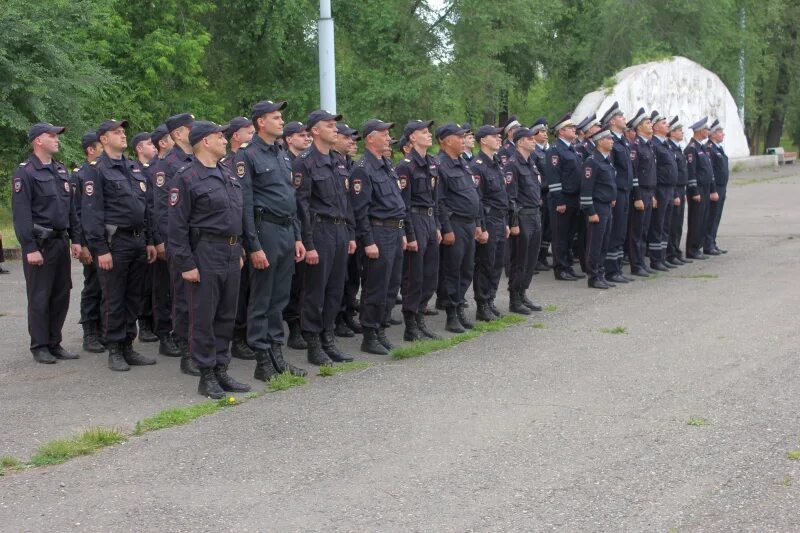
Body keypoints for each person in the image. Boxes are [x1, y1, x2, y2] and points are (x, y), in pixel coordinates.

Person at [168, 121, 251, 398]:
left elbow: (235, 216)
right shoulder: (187, 177)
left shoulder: (227, 173)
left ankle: (221, 369)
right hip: (205, 252)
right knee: (204, 316)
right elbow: (176, 227)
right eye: (219, 136)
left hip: (230, 251)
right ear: (205, 141)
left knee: (227, 315)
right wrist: (187, 264)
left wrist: (238, 249)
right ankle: (206, 374)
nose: (224, 140)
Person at [237, 100, 307, 380]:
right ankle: (262, 360)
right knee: (262, 299)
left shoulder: (281, 154)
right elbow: (244, 203)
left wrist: (298, 237)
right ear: (260, 122)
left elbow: (290, 199)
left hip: (286, 230)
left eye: (281, 117)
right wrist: (253, 245)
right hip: (264, 230)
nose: (281, 121)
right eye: (276, 117)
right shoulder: (248, 155)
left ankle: (278, 355)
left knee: (279, 298)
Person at [82, 119, 157, 371]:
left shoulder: (133, 167)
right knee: (114, 297)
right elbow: (92, 214)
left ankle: (128, 345)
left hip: (137, 240)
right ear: (103, 139)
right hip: (115, 242)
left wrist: (148, 241)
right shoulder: (97, 169)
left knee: (134, 296)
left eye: (124, 131)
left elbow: (144, 208)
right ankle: (114, 348)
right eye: (116, 132)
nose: (123, 135)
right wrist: (101, 249)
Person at [12, 123, 82, 363]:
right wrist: (29, 247)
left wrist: (76, 239)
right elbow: (21, 215)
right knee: (40, 295)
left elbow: (70, 209)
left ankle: (55, 341)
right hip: (40, 244)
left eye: (57, 135)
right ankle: (40, 345)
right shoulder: (26, 172)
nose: (56, 139)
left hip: (60, 241)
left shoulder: (60, 170)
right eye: (51, 136)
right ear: (37, 141)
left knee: (61, 293)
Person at [293, 109, 357, 365]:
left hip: (340, 231)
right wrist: (308, 244)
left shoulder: (337, 161)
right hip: (319, 232)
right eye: (329, 125)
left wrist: (350, 233)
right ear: (315, 131)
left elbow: (346, 200)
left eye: (335, 125)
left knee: (335, 289)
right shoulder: (305, 162)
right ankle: (314, 343)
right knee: (315, 291)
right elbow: (301, 207)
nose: (335, 129)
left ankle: (329, 337)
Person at [350, 119, 407, 354]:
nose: (388, 137)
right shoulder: (362, 168)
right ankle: (370, 334)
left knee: (391, 285)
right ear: (370, 138)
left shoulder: (387, 165)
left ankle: (381, 328)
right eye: (383, 134)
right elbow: (360, 210)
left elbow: (396, 202)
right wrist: (369, 241)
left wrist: (402, 231)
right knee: (376, 285)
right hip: (378, 231)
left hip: (394, 230)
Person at [436, 123, 485, 333]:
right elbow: (439, 201)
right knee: (452, 271)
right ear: (447, 140)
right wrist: (446, 228)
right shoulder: (440, 165)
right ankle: (451, 314)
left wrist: (477, 223)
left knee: (466, 269)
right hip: (454, 223)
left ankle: (459, 307)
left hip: (468, 223)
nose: (464, 140)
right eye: (459, 137)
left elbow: (474, 195)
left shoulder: (463, 163)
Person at [396, 120, 442, 340]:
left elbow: (436, 199)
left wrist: (438, 226)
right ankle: (410, 323)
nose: (429, 135)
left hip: (430, 220)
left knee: (430, 275)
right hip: (414, 219)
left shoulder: (432, 162)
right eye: (424, 132)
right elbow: (403, 204)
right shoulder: (405, 166)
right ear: (412, 138)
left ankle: (421, 315)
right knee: (414, 275)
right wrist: (409, 234)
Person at [163, 113, 198, 375]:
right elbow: (165, 212)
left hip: (204, 242)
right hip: (182, 242)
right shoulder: (170, 164)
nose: (194, 131)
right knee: (184, 300)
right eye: (189, 128)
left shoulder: (197, 160)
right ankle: (188, 353)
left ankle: (201, 348)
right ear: (177, 134)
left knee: (203, 300)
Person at [143, 124, 181, 357]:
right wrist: (157, 240)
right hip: (163, 239)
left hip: (178, 238)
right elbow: (154, 209)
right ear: (164, 143)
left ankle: (176, 332)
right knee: (163, 289)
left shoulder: (181, 164)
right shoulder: (157, 169)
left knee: (177, 291)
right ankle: (165, 334)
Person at [220, 116, 256, 361]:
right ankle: (237, 338)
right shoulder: (228, 163)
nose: (253, 134)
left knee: (250, 289)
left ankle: (246, 334)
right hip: (233, 237)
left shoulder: (250, 158)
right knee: (237, 292)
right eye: (248, 131)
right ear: (236, 136)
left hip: (252, 231)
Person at [71, 131, 106, 352]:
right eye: (100, 146)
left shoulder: (106, 172)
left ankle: (104, 328)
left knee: (108, 288)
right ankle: (90, 332)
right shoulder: (81, 175)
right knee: (93, 287)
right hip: (90, 241)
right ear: (90, 150)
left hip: (108, 238)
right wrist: (82, 244)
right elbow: (76, 212)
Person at [281, 120, 313, 350]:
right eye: (301, 135)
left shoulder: (305, 162)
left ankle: (301, 325)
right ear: (288, 139)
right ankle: (293, 327)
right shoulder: (286, 162)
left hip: (305, 227)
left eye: (307, 135)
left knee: (304, 283)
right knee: (292, 283)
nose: (307, 138)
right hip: (290, 228)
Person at [505, 127, 544, 312]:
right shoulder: (513, 165)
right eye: (529, 138)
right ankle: (514, 298)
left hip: (535, 214)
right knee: (519, 259)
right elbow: (511, 197)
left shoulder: (531, 163)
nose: (533, 141)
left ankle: (523, 293)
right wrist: (513, 223)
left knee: (531, 258)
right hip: (522, 216)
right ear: (520, 142)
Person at [544, 113, 585, 281]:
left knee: (569, 235)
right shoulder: (555, 151)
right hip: (562, 199)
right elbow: (554, 177)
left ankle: (568, 265)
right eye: (570, 128)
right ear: (561, 132)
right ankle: (560, 268)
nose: (574, 130)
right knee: (560, 236)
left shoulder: (572, 149)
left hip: (574, 198)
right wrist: (559, 200)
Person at [333, 122, 364, 338]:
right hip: (332, 228)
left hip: (350, 227)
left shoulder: (351, 165)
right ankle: (336, 319)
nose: (351, 142)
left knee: (352, 276)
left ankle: (347, 314)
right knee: (337, 279)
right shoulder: (331, 163)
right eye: (347, 137)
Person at [600, 102, 635, 284]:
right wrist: (612, 194)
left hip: (625, 191)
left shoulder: (623, 141)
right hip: (617, 193)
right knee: (614, 232)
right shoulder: (610, 141)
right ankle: (610, 270)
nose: (624, 119)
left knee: (621, 232)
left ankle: (617, 268)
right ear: (613, 121)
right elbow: (609, 171)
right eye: (621, 117)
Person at [130, 131, 160, 343]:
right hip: (136, 234)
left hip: (150, 232)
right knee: (142, 284)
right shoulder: (134, 171)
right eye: (150, 144)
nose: (155, 147)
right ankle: (144, 323)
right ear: (139, 148)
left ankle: (154, 321)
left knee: (153, 283)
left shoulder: (155, 170)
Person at [580, 127, 618, 289]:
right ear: (600, 141)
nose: (612, 141)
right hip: (597, 207)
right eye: (609, 139)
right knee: (595, 243)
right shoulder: (592, 161)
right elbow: (586, 188)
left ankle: (600, 273)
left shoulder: (606, 160)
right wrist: (591, 211)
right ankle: (593, 276)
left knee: (604, 242)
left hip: (607, 206)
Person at [647, 110, 679, 271]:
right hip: (659, 189)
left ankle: (663, 255)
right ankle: (655, 259)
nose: (668, 125)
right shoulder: (654, 144)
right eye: (664, 123)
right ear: (656, 127)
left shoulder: (665, 144)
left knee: (666, 225)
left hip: (669, 188)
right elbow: (653, 170)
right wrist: (653, 194)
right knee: (657, 225)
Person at [627, 108, 656, 277]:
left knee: (645, 230)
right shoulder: (635, 146)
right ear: (638, 127)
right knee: (637, 231)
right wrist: (638, 196)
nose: (650, 125)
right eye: (647, 123)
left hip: (649, 191)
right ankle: (636, 264)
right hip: (640, 193)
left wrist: (652, 195)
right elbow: (635, 173)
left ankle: (642, 263)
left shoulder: (649, 145)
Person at [684, 117, 715, 260]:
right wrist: (694, 191)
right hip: (698, 189)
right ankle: (692, 249)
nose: (708, 132)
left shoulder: (701, 147)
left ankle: (698, 246)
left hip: (706, 187)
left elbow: (708, 169)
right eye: (707, 129)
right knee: (696, 220)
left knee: (703, 218)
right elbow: (691, 172)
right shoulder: (691, 148)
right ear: (700, 131)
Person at [666, 117, 692, 266]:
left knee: (678, 223)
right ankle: (670, 253)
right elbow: (672, 174)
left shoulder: (677, 148)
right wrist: (675, 193)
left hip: (681, 188)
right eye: (679, 131)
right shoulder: (670, 148)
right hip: (674, 189)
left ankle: (676, 251)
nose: (682, 133)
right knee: (672, 223)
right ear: (672, 133)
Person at [531, 118, 552, 271]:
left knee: (548, 229)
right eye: (542, 132)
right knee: (540, 227)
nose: (545, 134)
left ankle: (543, 256)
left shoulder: (547, 151)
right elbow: (535, 176)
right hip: (541, 194)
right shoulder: (533, 152)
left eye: (546, 132)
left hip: (550, 193)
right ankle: (536, 258)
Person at [705, 120, 728, 255]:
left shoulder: (717, 148)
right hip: (715, 187)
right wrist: (713, 189)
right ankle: (708, 244)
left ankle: (712, 242)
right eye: (720, 132)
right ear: (713, 134)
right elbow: (711, 172)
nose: (723, 134)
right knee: (712, 216)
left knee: (716, 216)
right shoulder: (709, 149)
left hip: (721, 186)